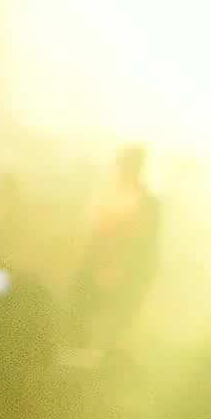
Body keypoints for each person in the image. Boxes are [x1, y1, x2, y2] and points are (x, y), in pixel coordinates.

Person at [69, 145, 160, 349]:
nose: (120, 170)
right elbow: (93, 238)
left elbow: (144, 248)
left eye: (126, 165)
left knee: (111, 333)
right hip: (96, 273)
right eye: (121, 164)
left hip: (124, 279)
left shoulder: (148, 204)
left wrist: (122, 272)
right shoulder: (107, 198)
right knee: (81, 325)